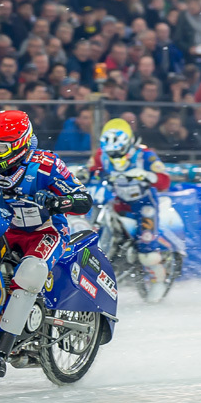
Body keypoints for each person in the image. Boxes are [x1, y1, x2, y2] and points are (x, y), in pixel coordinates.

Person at [0, 110, 92, 378]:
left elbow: (82, 197)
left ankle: (1, 349)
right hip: (6, 229)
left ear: (19, 144)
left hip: (45, 232)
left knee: (30, 273)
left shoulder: (46, 164)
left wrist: (59, 202)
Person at [87, 119, 170, 300]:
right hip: (117, 201)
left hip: (145, 204)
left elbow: (164, 181)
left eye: (118, 152)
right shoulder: (102, 154)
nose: (115, 156)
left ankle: (158, 281)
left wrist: (147, 174)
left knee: (147, 251)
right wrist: (83, 173)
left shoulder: (145, 156)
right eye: (111, 153)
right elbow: (90, 170)